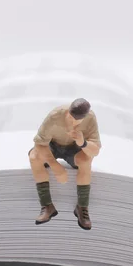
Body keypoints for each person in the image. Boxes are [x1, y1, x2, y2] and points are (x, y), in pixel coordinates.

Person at [28, 98, 101, 230]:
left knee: (86, 160)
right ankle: (47, 205)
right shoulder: (55, 116)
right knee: (34, 156)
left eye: (77, 122)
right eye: (71, 119)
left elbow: (95, 150)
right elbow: (39, 143)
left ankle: (82, 207)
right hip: (53, 146)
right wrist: (56, 167)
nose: (73, 124)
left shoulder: (90, 118)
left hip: (74, 149)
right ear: (67, 112)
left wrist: (82, 143)